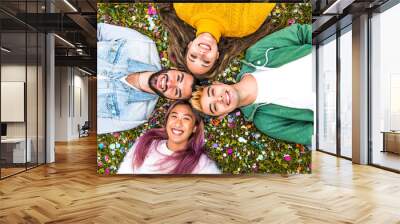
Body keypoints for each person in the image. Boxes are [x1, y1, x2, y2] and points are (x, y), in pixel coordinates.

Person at [190, 24, 314, 145]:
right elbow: (312, 134)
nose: (219, 98)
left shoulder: (256, 53)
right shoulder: (266, 122)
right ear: (222, 115)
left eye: (212, 92)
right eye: (214, 107)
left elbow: (300, 33)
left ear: (217, 83)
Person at [97, 23, 196, 134]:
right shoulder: (143, 44)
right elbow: (99, 31)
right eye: (178, 78)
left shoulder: (137, 116)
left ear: (171, 99)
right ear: (174, 69)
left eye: (177, 92)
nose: (170, 84)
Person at [158, 3, 276, 79]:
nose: (201, 54)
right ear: (217, 55)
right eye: (206, 61)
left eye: (193, 56)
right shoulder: (245, 27)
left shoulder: (183, 9)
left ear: (189, 45)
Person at [117, 100, 220, 174]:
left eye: (186, 119)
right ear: (167, 121)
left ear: (194, 128)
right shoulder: (146, 143)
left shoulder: (202, 164)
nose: (178, 123)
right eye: (174, 116)